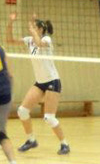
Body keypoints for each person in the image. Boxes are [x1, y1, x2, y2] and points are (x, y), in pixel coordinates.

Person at [5, 12, 70, 155]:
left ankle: (64, 144)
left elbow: (39, 44)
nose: (31, 29)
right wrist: (10, 22)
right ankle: (31, 140)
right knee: (22, 111)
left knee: (49, 117)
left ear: (41, 29)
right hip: (40, 83)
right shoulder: (29, 41)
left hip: (52, 81)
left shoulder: (46, 39)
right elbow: (9, 40)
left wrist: (33, 29)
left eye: (35, 27)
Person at [0, 40, 24, 164]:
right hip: (5, 94)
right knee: (1, 133)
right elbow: (10, 75)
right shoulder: (2, 48)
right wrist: (11, 96)